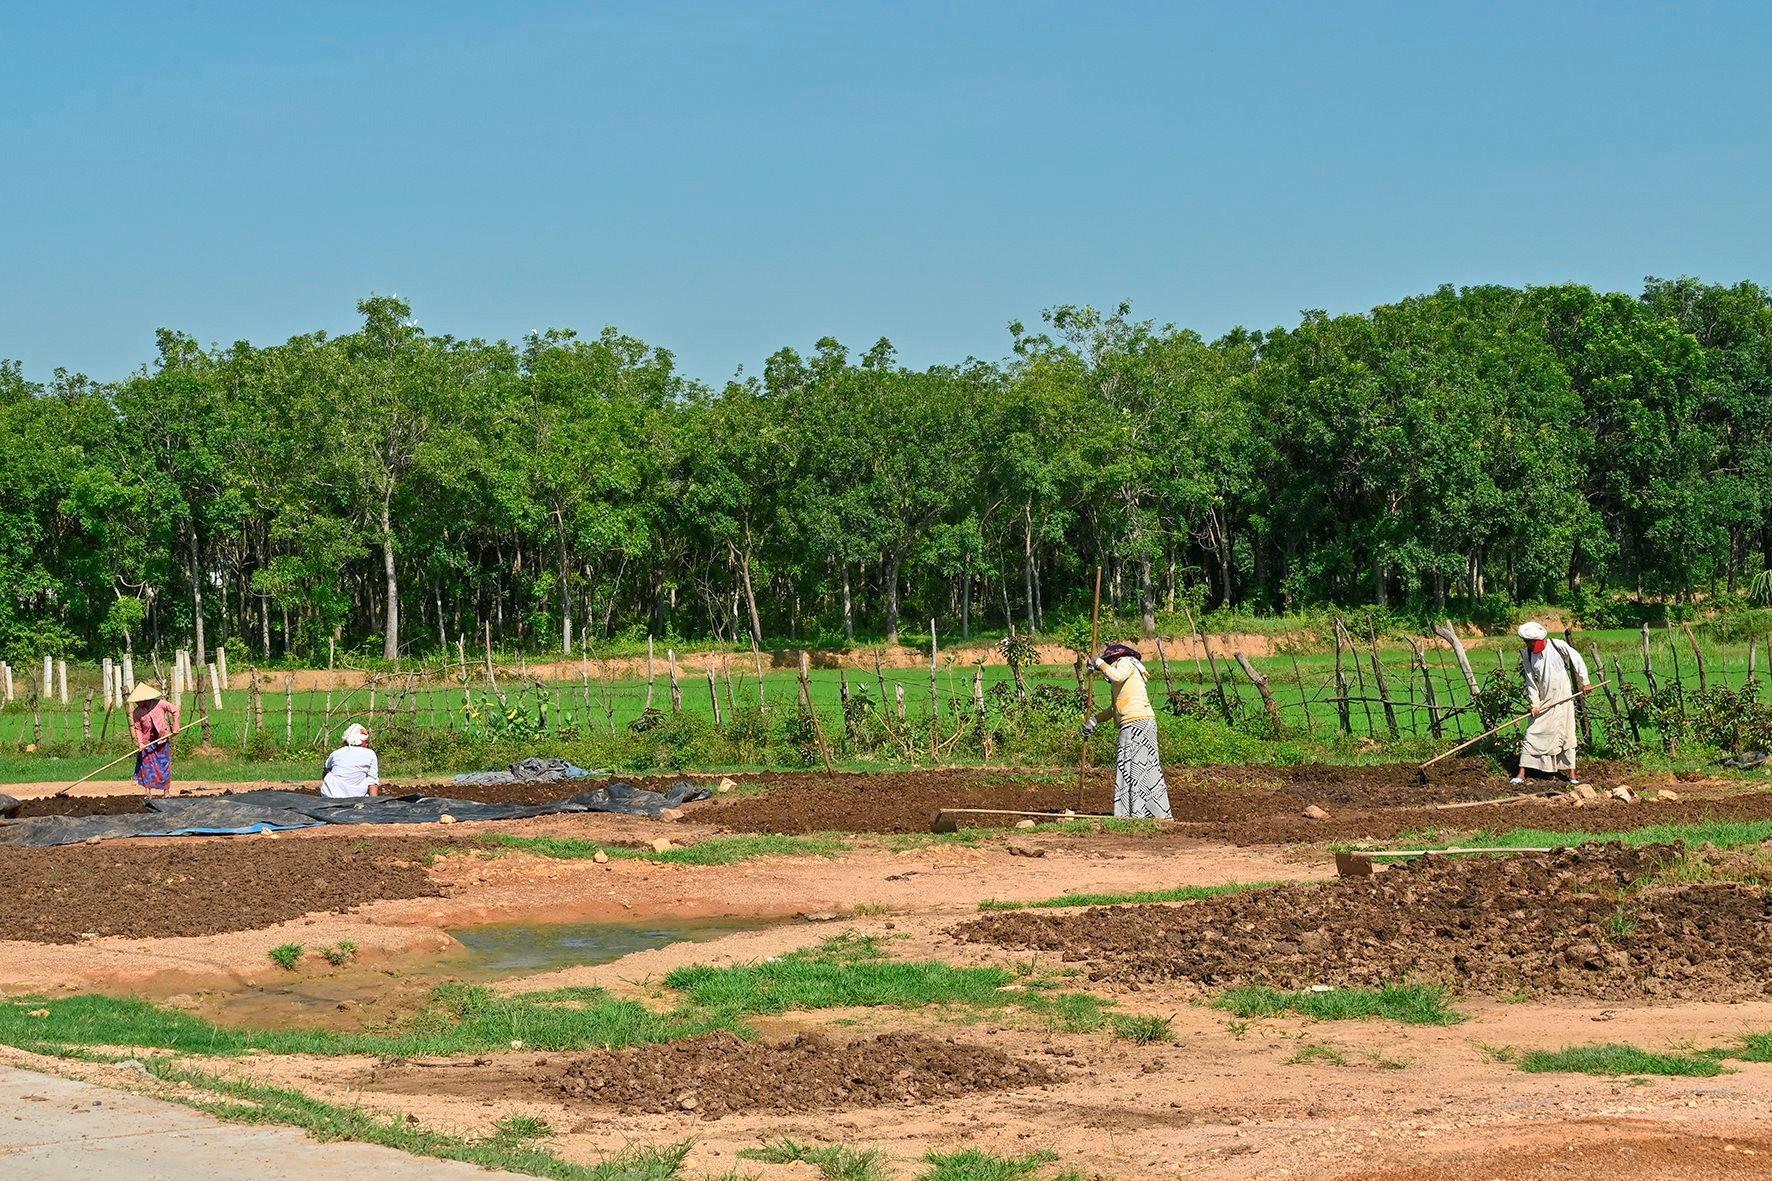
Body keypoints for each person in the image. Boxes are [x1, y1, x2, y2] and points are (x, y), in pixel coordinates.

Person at [1081, 641, 1173, 819]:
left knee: (1132, 767)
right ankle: (1144, 812)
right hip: (1139, 722)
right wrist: (1094, 721)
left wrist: (1099, 662)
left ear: (1114, 658)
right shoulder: (1123, 681)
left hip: (1136, 723)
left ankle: (1135, 813)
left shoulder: (1126, 662)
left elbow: (1117, 675)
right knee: (1136, 767)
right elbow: (1114, 709)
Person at [1512, 621, 1593, 787]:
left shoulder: (1557, 645)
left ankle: (1572, 775)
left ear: (1540, 639)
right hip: (1544, 700)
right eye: (1527, 642)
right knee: (1533, 733)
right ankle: (1521, 774)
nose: (1529, 645)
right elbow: (1531, 682)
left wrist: (1584, 681)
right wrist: (1534, 703)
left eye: (1532, 642)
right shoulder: (1527, 655)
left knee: (1567, 734)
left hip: (1563, 698)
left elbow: (1576, 658)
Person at [127, 682, 179, 796]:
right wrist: (140, 743)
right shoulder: (137, 712)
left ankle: (166, 792)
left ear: (146, 699)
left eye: (139, 700)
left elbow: (175, 710)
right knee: (147, 767)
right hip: (147, 743)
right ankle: (148, 792)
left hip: (162, 740)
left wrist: (175, 725)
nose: (137, 703)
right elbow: (138, 729)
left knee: (164, 766)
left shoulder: (160, 704)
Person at [322, 723, 381, 799]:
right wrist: (374, 803)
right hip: (357, 798)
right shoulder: (370, 754)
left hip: (331, 796)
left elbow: (326, 770)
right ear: (363, 742)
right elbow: (372, 781)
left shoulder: (335, 754)